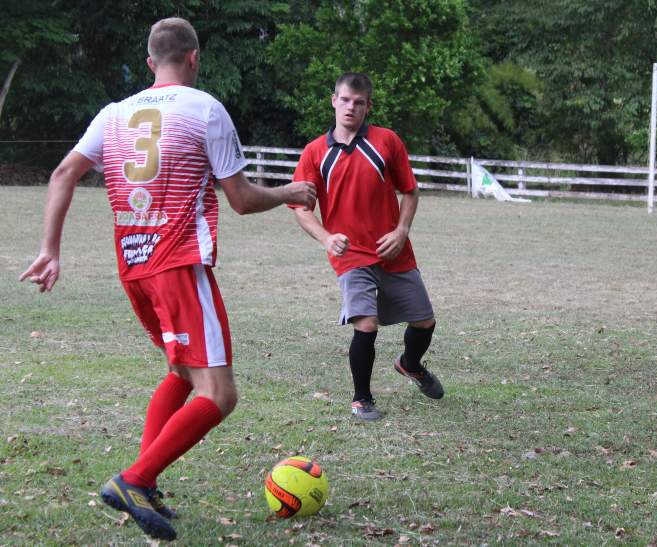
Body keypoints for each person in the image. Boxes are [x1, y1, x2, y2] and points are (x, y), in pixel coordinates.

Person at [19, 17, 316, 541]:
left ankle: (145, 484)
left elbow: (63, 173)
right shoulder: (205, 110)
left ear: (152, 61)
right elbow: (242, 200)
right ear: (195, 59)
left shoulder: (113, 114)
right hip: (178, 265)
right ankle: (134, 479)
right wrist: (291, 193)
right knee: (219, 393)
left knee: (183, 375)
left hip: (135, 268)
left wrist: (50, 250)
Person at [290, 72, 443, 421]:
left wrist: (402, 230)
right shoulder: (316, 152)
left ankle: (410, 364)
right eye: (345, 100)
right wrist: (327, 238)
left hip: (393, 251)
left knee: (424, 322)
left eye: (359, 102)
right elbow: (301, 209)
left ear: (368, 106)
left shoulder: (386, 141)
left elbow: (410, 191)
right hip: (351, 255)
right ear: (334, 100)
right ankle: (362, 398)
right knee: (366, 324)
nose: (351, 107)